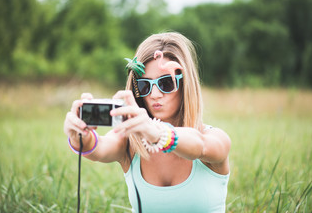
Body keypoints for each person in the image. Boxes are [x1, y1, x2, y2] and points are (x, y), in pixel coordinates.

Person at [64, 32, 231, 212]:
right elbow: (99, 149)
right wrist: (79, 136)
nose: (155, 94)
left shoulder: (215, 138)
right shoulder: (130, 142)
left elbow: (201, 146)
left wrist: (159, 133)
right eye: (144, 85)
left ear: (186, 84)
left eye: (166, 83)